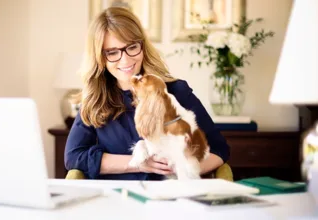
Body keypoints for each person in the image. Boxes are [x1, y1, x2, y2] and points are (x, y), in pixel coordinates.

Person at [64, 7, 230, 180]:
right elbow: (73, 157)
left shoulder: (176, 91)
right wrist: (136, 163)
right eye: (112, 52)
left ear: (142, 46)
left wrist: (181, 169)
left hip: (170, 199)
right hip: (117, 200)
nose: (126, 60)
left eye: (132, 47)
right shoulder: (95, 102)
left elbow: (219, 149)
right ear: (99, 58)